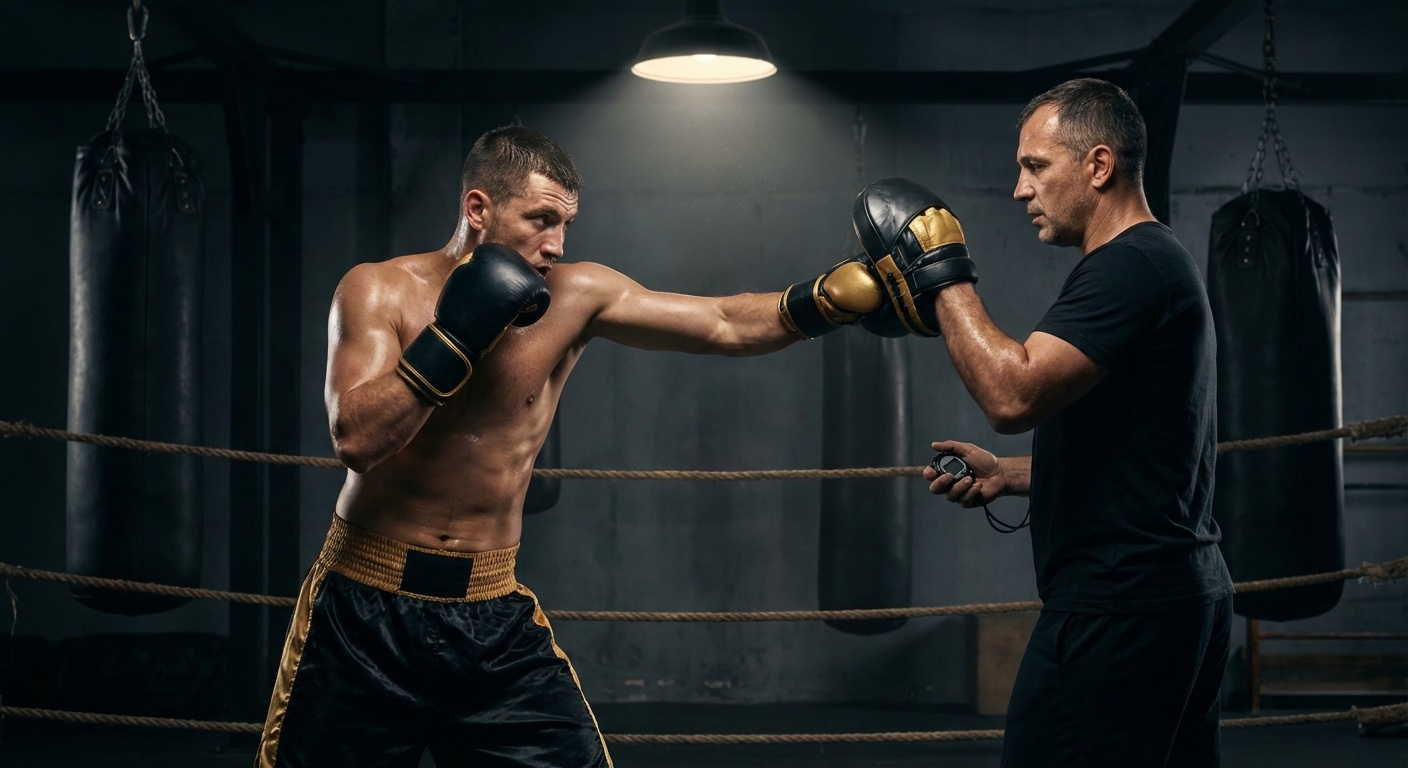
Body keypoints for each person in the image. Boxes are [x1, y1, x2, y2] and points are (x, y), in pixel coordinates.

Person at [253, 125, 886, 768]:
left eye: (565, 225)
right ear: (479, 209)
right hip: (364, 609)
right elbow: (356, 437)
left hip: (489, 615)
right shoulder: (378, 289)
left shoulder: (576, 296)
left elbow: (723, 322)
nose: (555, 245)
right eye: (540, 220)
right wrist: (457, 333)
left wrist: (829, 300)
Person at [897, 78, 1233, 767]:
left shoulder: (1128, 267)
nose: (1020, 189)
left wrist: (942, 273)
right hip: (1174, 595)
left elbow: (1011, 395)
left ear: (1098, 166)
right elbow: (1147, 449)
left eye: (1035, 166)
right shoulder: (1153, 263)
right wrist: (1013, 476)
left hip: (1120, 607)